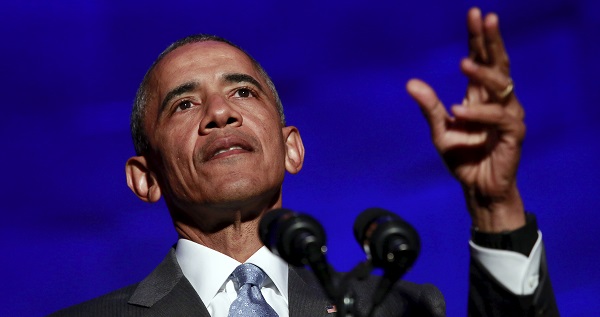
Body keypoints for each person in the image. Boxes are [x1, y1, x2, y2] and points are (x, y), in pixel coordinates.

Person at [50, 7, 558, 317]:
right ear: (145, 178)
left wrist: (495, 208)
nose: (220, 113)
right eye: (184, 104)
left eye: (242, 92)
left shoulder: (400, 310)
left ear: (291, 147)